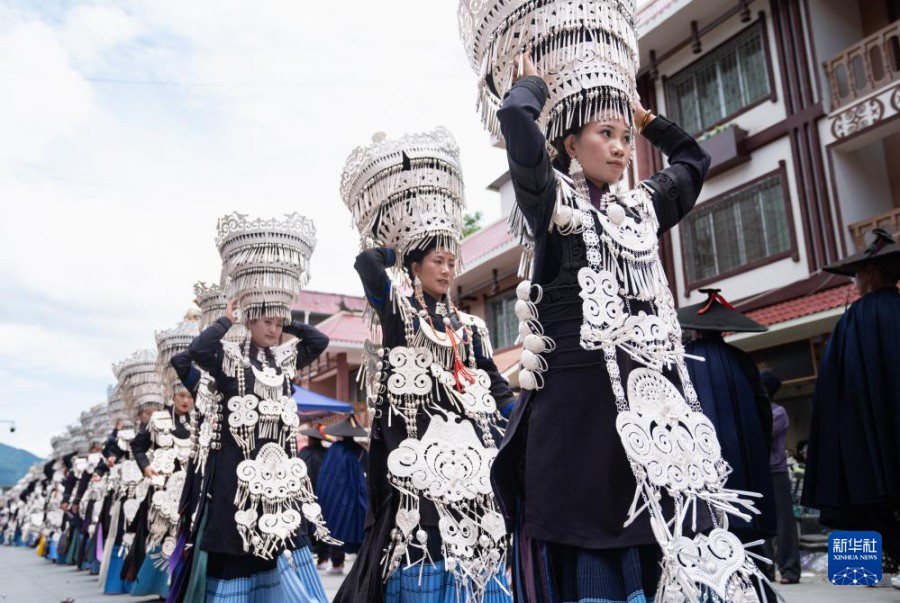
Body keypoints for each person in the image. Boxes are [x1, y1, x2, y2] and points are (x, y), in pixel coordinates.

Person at [335, 127, 515, 602]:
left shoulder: (471, 326)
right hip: (417, 455)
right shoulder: (399, 313)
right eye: (437, 259)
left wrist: (518, 415)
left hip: (474, 458)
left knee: (486, 537)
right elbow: (367, 264)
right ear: (417, 265)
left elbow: (496, 385)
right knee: (427, 540)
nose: (448, 269)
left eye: (452, 260)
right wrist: (405, 248)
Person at [802, 229, 900, 566]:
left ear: (871, 274)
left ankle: (868, 567)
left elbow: (838, 394)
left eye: (857, 274)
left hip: (874, 460)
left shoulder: (855, 320)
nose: (855, 281)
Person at [678, 289, 776, 546]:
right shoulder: (742, 361)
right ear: (723, 330)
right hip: (742, 462)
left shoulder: (682, 361)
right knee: (743, 534)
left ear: (694, 330)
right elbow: (764, 415)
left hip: (698, 465)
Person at [759, 370, 801, 585]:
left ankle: (790, 570)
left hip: (777, 472)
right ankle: (765, 569)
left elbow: (761, 434)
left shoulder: (778, 413)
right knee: (762, 522)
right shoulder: (758, 411)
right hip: (761, 473)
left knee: (784, 524)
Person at [315, 416, 368, 575]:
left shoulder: (334, 450)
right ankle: (363, 562)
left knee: (335, 526)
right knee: (359, 526)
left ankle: (338, 563)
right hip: (358, 495)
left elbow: (326, 475)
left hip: (337, 496)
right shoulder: (361, 450)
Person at [297, 424, 332, 570]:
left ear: (310, 439)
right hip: (324, 493)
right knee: (323, 522)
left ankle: (309, 553)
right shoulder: (327, 453)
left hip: (307, 493)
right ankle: (323, 558)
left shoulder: (305, 452)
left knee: (307, 522)